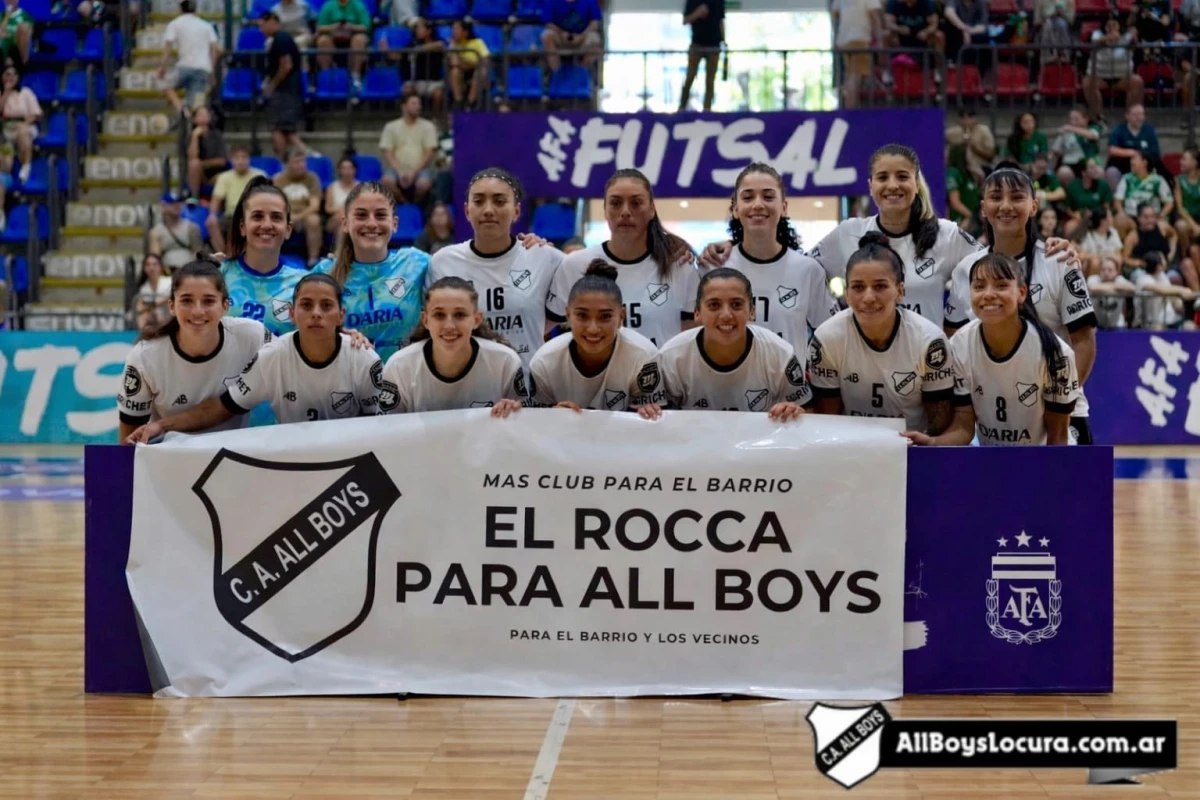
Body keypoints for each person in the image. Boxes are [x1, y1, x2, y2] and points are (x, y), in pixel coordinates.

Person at [704, 144, 1022, 329]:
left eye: (902, 177)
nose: (892, 185)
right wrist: (735, 247)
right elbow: (791, 264)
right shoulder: (849, 233)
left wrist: (954, 321)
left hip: (927, 367)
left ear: (916, 183)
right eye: (883, 177)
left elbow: (991, 267)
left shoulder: (945, 233)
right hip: (864, 366)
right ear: (870, 186)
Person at [126, 273, 392, 442]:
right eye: (307, 306)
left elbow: (383, 430)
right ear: (291, 313)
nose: (316, 314)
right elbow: (222, 406)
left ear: (341, 315)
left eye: (326, 306)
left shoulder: (363, 358)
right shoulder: (272, 357)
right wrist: (161, 426)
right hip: (296, 466)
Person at [945, 163, 1097, 444]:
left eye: (1017, 197)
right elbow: (954, 341)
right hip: (993, 420)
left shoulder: (1059, 261)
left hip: (1062, 416)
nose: (1006, 206)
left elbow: (1084, 340)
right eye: (995, 197)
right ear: (982, 208)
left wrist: (1061, 399)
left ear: (1034, 206)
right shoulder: (966, 270)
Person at [906, 253, 1079, 446]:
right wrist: (932, 443)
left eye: (1001, 285)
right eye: (979, 286)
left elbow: (1058, 436)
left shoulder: (1055, 354)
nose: (988, 294)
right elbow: (964, 428)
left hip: (1042, 457)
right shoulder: (959, 345)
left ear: (1022, 293)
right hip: (991, 458)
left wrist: (1045, 475)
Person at [809, 234, 956, 434]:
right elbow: (828, 423)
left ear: (900, 291)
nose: (868, 297)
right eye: (858, 287)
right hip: (849, 450)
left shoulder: (929, 340)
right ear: (847, 293)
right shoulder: (827, 338)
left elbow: (938, 428)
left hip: (912, 452)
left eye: (880, 286)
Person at [117, 259, 271, 443]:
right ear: (172, 306)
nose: (197, 311)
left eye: (208, 301)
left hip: (234, 458)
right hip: (170, 462)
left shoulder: (253, 336)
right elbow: (128, 441)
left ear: (225, 306)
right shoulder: (144, 356)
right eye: (187, 300)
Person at [632, 268, 810, 420]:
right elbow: (660, 422)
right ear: (697, 312)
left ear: (752, 311)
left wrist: (795, 411)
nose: (726, 314)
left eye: (736, 305)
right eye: (714, 305)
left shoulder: (780, 354)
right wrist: (649, 413)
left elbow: (808, 413)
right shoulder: (672, 357)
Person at [429, 168, 563, 366]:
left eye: (499, 201)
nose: (488, 210)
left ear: (516, 211)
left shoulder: (546, 258)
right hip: (466, 386)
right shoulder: (442, 262)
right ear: (467, 210)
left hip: (528, 386)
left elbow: (548, 320)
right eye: (479, 201)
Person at [549, 172, 697, 349]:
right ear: (605, 209)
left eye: (636, 203)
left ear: (651, 210)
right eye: (616, 203)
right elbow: (538, 328)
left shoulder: (678, 264)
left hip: (660, 375)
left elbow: (691, 338)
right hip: (596, 376)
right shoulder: (574, 265)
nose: (625, 212)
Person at [718, 162, 837, 354]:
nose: (758, 204)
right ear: (735, 209)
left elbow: (832, 335)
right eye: (748, 197)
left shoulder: (808, 270)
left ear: (784, 207)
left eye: (768, 196)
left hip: (788, 384)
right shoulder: (715, 268)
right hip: (727, 384)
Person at [314, 181, 431, 360]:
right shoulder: (323, 274)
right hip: (349, 384)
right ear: (345, 223)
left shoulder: (417, 263)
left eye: (380, 215)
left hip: (407, 383)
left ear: (395, 223)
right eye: (361, 215)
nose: (371, 223)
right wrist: (335, 335)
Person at [528, 260, 660, 412]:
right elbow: (535, 428)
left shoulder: (643, 356)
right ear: (568, 315)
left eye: (605, 317)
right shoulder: (544, 361)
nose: (593, 329)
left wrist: (644, 416)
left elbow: (654, 426)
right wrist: (554, 417)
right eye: (582, 315)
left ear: (621, 317)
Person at [383, 276, 525, 415]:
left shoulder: (505, 362)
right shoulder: (399, 367)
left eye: (459, 315)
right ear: (425, 320)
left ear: (476, 320)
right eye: (439, 315)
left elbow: (526, 426)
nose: (449, 325)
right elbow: (386, 431)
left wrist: (513, 411)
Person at [220, 177, 308, 337]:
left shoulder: (304, 284)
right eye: (257, 216)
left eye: (276, 217)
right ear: (242, 227)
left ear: (288, 229)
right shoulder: (219, 277)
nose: (267, 225)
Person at [260, 11, 308, 159]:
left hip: (285, 92)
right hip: (289, 91)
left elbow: (285, 65)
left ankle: (283, 161)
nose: (261, 30)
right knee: (288, 131)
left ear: (272, 22)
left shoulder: (281, 39)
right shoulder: (281, 39)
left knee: (278, 129)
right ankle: (309, 156)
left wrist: (272, 85)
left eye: (263, 25)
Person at [159, 0, 220, 116]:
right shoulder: (206, 26)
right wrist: (211, 72)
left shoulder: (175, 24)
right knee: (198, 104)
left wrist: (162, 67)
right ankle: (201, 126)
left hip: (183, 67)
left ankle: (180, 107)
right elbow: (215, 50)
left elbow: (168, 46)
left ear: (180, 10)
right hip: (203, 70)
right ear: (195, 10)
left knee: (164, 83)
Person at [379, 94, 438, 207]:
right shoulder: (391, 127)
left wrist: (414, 172)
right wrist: (400, 171)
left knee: (424, 184)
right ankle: (404, 202)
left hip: (420, 169)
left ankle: (415, 205)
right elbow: (388, 152)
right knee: (387, 181)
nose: (418, 107)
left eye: (419, 104)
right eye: (414, 103)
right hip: (397, 169)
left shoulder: (428, 126)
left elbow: (429, 152)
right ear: (404, 106)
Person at [207, 145, 267, 253]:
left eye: (244, 158)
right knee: (211, 223)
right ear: (232, 160)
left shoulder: (260, 175)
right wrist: (212, 214)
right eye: (237, 158)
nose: (240, 161)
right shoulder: (224, 177)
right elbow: (216, 198)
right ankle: (223, 256)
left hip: (253, 215)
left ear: (249, 159)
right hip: (231, 215)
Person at [1083, 17, 1143, 122]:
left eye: (1114, 25)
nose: (1111, 28)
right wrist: (1107, 38)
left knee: (1137, 82)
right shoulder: (1097, 33)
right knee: (1087, 83)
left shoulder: (1127, 36)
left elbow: (1134, 40)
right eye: (1108, 26)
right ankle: (1098, 118)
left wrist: (1132, 36)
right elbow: (1094, 40)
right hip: (1100, 76)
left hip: (1122, 76)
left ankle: (1131, 118)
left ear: (1120, 26)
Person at [273, 147, 323, 267]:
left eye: (303, 161)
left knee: (314, 220)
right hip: (284, 214)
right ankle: (271, 259)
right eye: (297, 162)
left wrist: (297, 217)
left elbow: (315, 205)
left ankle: (313, 260)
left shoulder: (312, 178)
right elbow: (275, 204)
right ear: (287, 164)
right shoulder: (278, 179)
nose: (301, 165)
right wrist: (288, 216)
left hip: (305, 214)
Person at [315, 0, 372, 94]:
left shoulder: (358, 5)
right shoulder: (329, 5)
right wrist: (333, 27)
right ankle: (326, 76)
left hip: (352, 36)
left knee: (359, 39)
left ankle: (355, 76)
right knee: (323, 40)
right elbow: (320, 27)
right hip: (333, 38)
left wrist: (351, 27)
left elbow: (366, 26)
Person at [679, 0, 726, 112]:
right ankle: (682, 108)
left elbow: (721, 21)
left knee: (710, 80)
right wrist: (697, 13)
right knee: (690, 76)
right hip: (697, 44)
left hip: (714, 45)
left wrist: (724, 40)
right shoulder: (692, 1)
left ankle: (707, 110)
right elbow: (685, 20)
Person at [1114, 151, 1173, 238]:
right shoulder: (1126, 179)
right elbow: (1117, 200)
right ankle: (1123, 250)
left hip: (1152, 218)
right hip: (1131, 217)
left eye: (1134, 159)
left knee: (1164, 227)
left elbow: (1169, 202)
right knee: (1119, 220)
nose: (1131, 162)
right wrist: (1121, 213)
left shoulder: (1157, 180)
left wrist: (1161, 215)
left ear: (1144, 162)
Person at [0, 63, 41, 184]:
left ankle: (26, 166)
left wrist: (24, 124)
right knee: (6, 156)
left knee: (22, 132)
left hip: (26, 125)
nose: (11, 77)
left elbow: (36, 113)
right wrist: (6, 92)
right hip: (6, 128)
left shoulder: (26, 92)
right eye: (7, 74)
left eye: (14, 75)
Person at [1134, 251, 1194, 328]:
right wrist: (1183, 290)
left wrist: (1178, 303)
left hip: (1171, 320)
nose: (1165, 261)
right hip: (1149, 323)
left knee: (1189, 326)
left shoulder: (1163, 276)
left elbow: (1172, 295)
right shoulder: (1143, 280)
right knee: (1158, 328)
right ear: (1158, 265)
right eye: (1162, 259)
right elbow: (1163, 290)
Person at [396, 19, 446, 110]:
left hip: (433, 81)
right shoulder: (412, 43)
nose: (417, 30)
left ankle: (435, 118)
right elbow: (401, 55)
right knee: (408, 90)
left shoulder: (438, 42)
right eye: (416, 28)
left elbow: (440, 45)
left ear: (429, 31)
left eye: (420, 28)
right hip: (415, 80)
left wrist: (419, 49)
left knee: (438, 94)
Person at [541, 0, 604, 73]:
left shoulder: (591, 1)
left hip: (583, 38)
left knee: (595, 39)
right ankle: (556, 72)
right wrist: (562, 33)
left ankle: (582, 72)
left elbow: (595, 23)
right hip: (560, 38)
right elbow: (548, 23)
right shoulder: (551, 1)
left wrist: (582, 36)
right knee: (547, 36)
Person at [1107, 104, 1160, 185]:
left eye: (1142, 114)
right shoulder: (1119, 130)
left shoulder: (1150, 131)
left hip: (1144, 167)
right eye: (1136, 115)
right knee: (1111, 172)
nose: (1140, 118)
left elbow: (1155, 153)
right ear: (1127, 116)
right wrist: (1133, 153)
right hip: (1121, 166)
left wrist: (1140, 159)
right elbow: (1112, 149)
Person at [148, 193, 204, 270]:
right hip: (167, 270)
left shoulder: (192, 227)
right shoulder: (156, 232)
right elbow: (155, 257)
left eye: (178, 202)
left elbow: (198, 253)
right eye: (172, 203)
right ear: (164, 207)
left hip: (189, 270)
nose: (176, 205)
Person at [883, 0, 943, 67]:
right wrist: (898, 28)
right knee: (886, 34)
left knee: (939, 35)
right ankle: (886, 69)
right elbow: (888, 23)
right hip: (901, 37)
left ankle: (938, 69)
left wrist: (926, 31)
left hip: (921, 37)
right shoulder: (893, 2)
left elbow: (934, 24)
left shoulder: (927, 3)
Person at [1123, 202, 1177, 274]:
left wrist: (1171, 253)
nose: (1150, 220)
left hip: (1165, 266)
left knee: (1174, 277)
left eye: (1152, 217)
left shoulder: (1162, 227)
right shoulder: (1133, 237)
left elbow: (1173, 235)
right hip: (1144, 270)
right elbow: (1125, 259)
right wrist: (1140, 263)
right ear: (1139, 218)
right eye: (1146, 217)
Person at [1050, 107, 1101, 183]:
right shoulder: (1066, 132)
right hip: (1070, 164)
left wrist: (1071, 128)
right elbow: (1055, 151)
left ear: (1086, 119)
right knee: (1063, 172)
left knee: (1099, 171)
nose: (1073, 122)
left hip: (1088, 163)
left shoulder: (1093, 128)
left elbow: (1092, 135)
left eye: (1076, 119)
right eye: (1071, 119)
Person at [945, 108, 995, 186]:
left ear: (974, 118)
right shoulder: (953, 132)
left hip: (981, 166)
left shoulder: (984, 131)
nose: (966, 120)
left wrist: (973, 147)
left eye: (969, 117)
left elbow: (990, 156)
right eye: (963, 118)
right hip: (959, 168)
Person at [186, 105, 227, 198]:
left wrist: (202, 164)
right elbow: (192, 158)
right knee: (194, 164)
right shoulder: (191, 136)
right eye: (200, 114)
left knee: (223, 177)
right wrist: (195, 137)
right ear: (194, 119)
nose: (204, 116)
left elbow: (221, 161)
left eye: (206, 114)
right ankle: (194, 197)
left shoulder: (217, 135)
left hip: (216, 173)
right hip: (200, 174)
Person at [447, 19, 489, 110]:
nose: (454, 32)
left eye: (457, 29)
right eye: (453, 29)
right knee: (455, 71)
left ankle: (470, 104)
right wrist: (453, 47)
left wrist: (464, 63)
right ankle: (459, 103)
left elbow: (484, 61)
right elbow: (454, 63)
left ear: (465, 32)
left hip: (476, 72)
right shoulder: (453, 44)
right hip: (462, 73)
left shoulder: (478, 42)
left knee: (479, 73)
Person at [1087, 254, 1135, 328]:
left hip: (1117, 324)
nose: (1106, 273)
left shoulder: (1120, 279)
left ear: (1116, 271)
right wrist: (1116, 287)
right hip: (1097, 325)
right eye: (1103, 270)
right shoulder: (1093, 279)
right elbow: (1092, 288)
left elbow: (1132, 288)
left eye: (1110, 270)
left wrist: (1106, 287)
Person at [1173, 149, 1200, 279]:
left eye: (1185, 159)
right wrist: (1193, 225)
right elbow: (1180, 207)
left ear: (1194, 162)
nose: (1181, 162)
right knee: (1182, 226)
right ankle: (1185, 255)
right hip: (1188, 218)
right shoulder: (1179, 180)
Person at [1064, 162, 1115, 229]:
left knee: (1110, 220)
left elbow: (1106, 207)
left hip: (1098, 217)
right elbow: (1068, 209)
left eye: (1095, 167)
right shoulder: (1072, 186)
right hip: (1079, 217)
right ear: (1083, 172)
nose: (1096, 170)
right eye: (1092, 168)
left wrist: (1098, 216)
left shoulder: (1103, 185)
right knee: (1070, 226)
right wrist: (1075, 215)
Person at [1075, 207, 1123, 275]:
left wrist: (1112, 258)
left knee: (1118, 260)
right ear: (1103, 221)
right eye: (1110, 216)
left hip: (1111, 265)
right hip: (1095, 268)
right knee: (1095, 262)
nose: (1112, 218)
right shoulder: (1089, 235)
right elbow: (1082, 256)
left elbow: (1119, 254)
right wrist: (1103, 255)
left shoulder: (1113, 232)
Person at [324, 156, 357, 253]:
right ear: (339, 170)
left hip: (354, 219)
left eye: (350, 168)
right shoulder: (332, 187)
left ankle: (338, 253)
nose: (347, 171)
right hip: (334, 220)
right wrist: (341, 211)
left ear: (354, 170)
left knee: (344, 224)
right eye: (344, 168)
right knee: (341, 218)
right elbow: (328, 208)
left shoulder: (361, 188)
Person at [946, 143, 981, 233]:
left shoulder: (968, 174)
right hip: (961, 221)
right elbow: (955, 202)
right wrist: (970, 216)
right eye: (970, 153)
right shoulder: (953, 173)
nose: (972, 155)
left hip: (974, 220)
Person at [134, 254, 173, 331]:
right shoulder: (144, 288)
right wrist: (156, 303)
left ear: (161, 267)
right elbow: (139, 308)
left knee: (160, 315)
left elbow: (174, 297)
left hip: (171, 317)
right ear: (144, 268)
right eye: (148, 265)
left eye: (155, 264)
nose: (151, 268)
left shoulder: (170, 282)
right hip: (154, 317)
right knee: (142, 319)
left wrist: (152, 304)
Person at [0, 0, 33, 67]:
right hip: (3, 49)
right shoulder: (1, 15)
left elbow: (29, 34)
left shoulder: (25, 15)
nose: (10, 1)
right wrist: (7, 16)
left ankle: (21, 65)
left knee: (23, 28)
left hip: (17, 50)